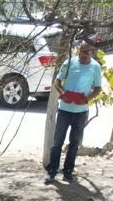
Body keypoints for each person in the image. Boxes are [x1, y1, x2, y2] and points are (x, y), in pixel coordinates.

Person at [44, 41, 104, 185]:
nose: (87, 55)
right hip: (65, 109)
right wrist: (62, 93)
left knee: (74, 143)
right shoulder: (69, 63)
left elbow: (97, 88)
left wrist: (87, 99)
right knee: (57, 142)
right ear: (79, 51)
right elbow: (57, 82)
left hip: (81, 112)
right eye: (84, 52)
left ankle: (68, 172)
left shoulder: (95, 67)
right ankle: (52, 172)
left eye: (90, 52)